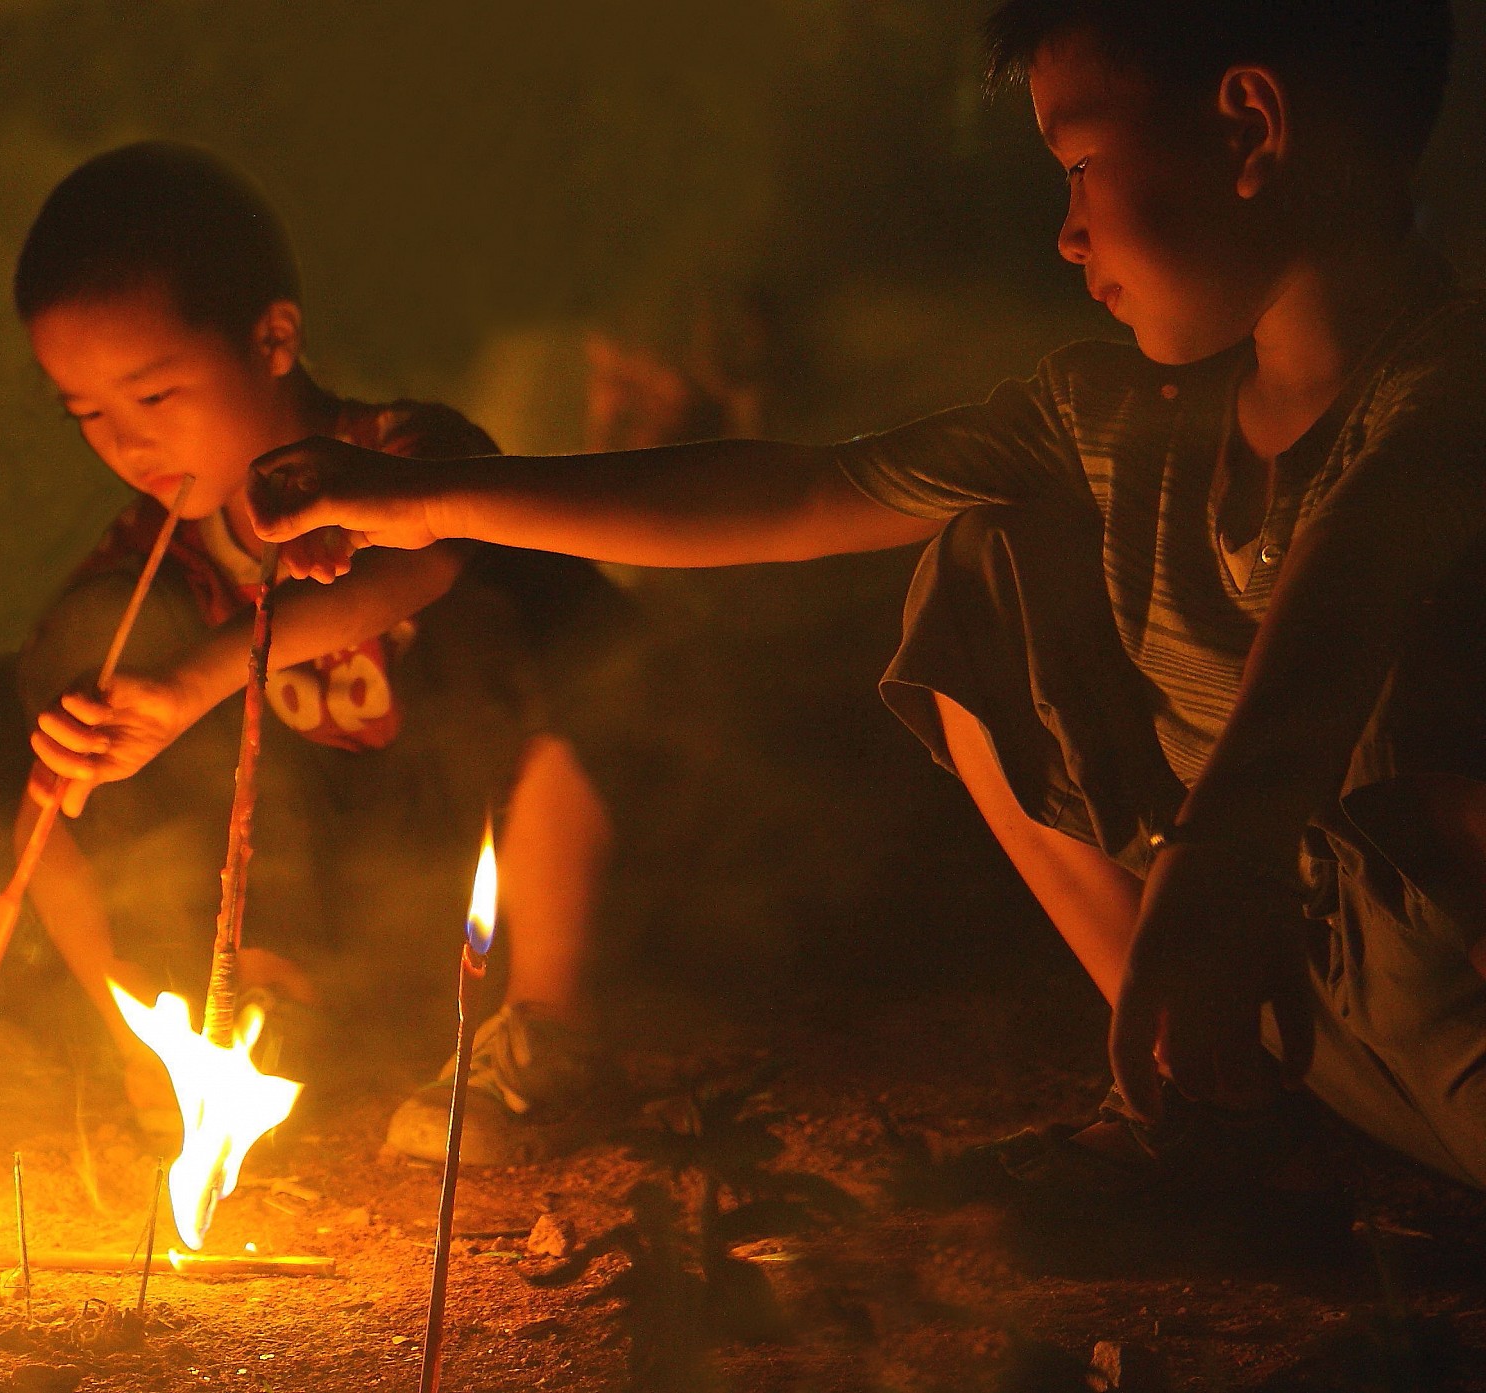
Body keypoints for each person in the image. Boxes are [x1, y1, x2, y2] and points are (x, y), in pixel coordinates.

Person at [252, 0, 1486, 1192]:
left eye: (1082, 163)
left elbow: (1350, 588)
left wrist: (1223, 861)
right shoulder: (1115, 418)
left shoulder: (1454, 378)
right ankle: (1200, 1109)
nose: (1067, 232)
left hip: (1445, 996)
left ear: (1249, 130)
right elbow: (798, 496)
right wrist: (426, 499)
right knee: (981, 566)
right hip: (1266, 989)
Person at [11, 143, 657, 1164]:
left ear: (273, 339)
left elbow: (419, 570)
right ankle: (256, 1014)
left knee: (521, 597)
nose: (127, 445)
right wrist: (127, 1021)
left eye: (155, 395)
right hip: (340, 894)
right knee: (88, 668)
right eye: (87, 414)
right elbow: (48, 825)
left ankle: (542, 1029)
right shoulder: (150, 565)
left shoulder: (404, 454)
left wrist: (195, 681)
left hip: (477, 841)